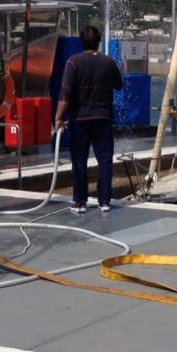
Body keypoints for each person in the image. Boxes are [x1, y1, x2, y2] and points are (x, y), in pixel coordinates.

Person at [54, 26, 123, 215]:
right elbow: (119, 85)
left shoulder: (73, 63)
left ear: (81, 41)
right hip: (103, 118)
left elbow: (65, 93)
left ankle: (80, 202)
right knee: (105, 160)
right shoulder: (108, 62)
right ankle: (105, 201)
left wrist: (58, 117)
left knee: (79, 161)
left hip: (80, 119)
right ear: (99, 41)